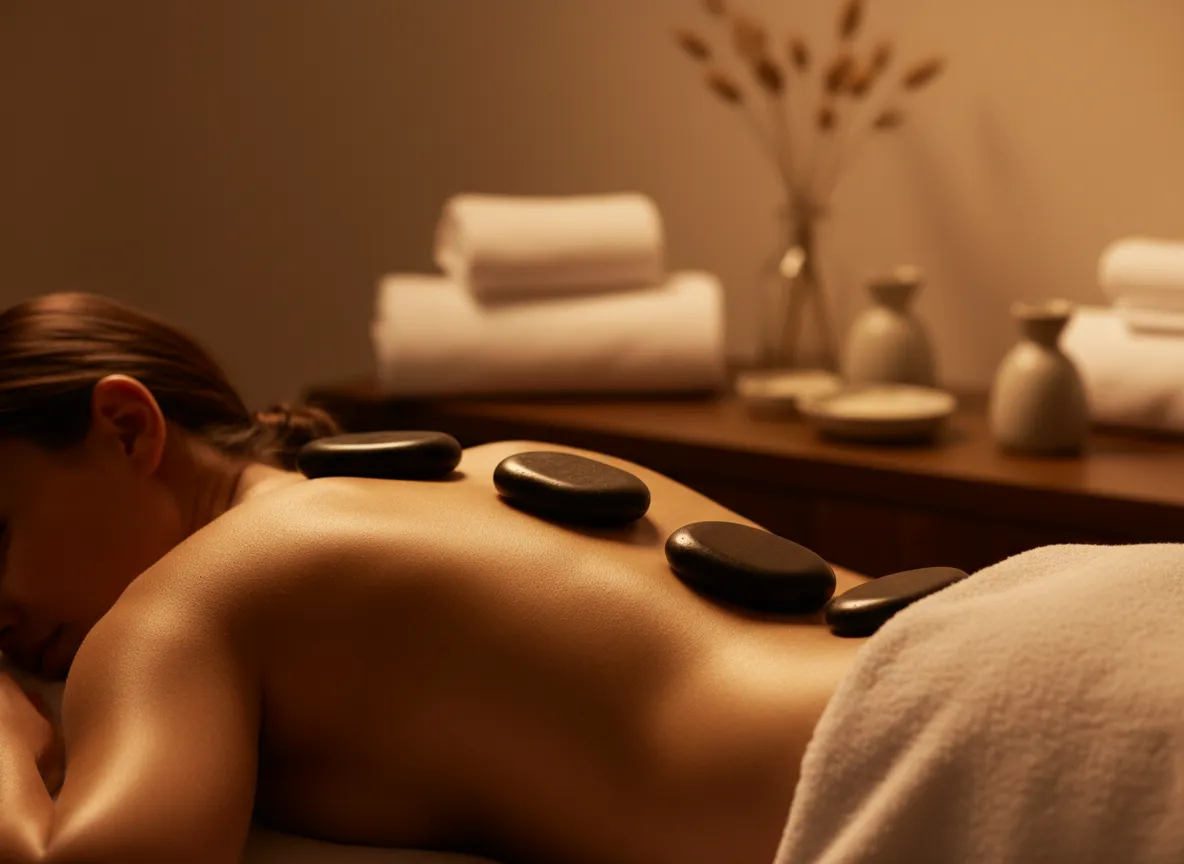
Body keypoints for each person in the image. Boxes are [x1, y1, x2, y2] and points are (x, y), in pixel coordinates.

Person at [0, 291, 872, 864]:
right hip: (972, 636)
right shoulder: (484, 470)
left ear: (123, 429)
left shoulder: (184, 600)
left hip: (906, 751)